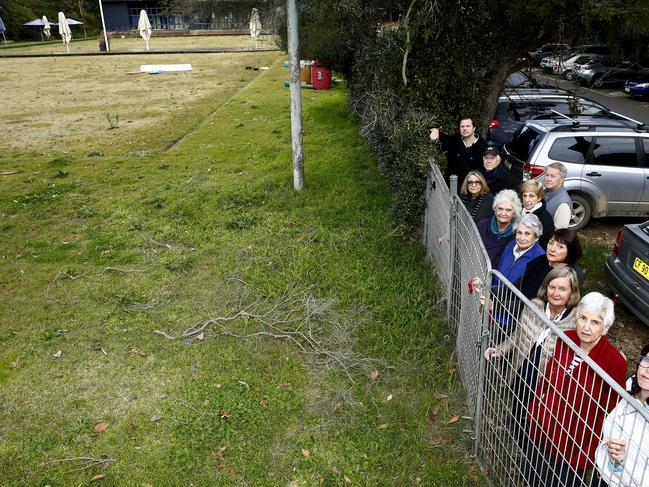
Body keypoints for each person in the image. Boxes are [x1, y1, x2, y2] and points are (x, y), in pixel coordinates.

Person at [526, 292, 627, 487]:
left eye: (595, 322)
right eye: (583, 318)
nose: (586, 327)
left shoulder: (614, 362)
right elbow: (549, 376)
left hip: (574, 445)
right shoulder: (567, 338)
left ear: (605, 329)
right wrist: (535, 409)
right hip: (543, 427)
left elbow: (609, 409)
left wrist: (588, 451)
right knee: (531, 475)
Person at [485, 267, 580, 445]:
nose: (556, 293)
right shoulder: (534, 305)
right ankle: (514, 426)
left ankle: (529, 442)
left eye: (562, 289)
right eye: (552, 287)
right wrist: (501, 349)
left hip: (544, 382)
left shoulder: (575, 323)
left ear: (572, 292)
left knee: (534, 415)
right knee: (518, 401)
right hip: (521, 368)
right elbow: (518, 334)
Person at [592, 344, 649, 487]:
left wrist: (619, 463)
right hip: (601, 474)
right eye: (647, 360)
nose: (648, 370)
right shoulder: (629, 388)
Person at [516, 229, 584, 300]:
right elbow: (519, 284)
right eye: (551, 243)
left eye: (560, 247)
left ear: (570, 251)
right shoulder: (541, 260)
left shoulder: (573, 274)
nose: (552, 249)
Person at [430, 117, 487, 188]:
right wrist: (436, 130)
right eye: (462, 126)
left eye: (468, 126)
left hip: (467, 190)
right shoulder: (455, 139)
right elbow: (441, 137)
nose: (465, 129)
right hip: (449, 186)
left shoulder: (483, 147)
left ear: (474, 128)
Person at [495, 213, 545, 285]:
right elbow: (498, 272)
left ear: (536, 237)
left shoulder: (539, 257)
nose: (522, 238)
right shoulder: (510, 245)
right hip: (495, 292)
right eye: (519, 233)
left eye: (527, 234)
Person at [477, 189, 522, 267]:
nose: (503, 213)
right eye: (500, 209)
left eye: (508, 210)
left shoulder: (517, 232)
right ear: (495, 209)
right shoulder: (483, 225)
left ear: (514, 213)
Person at [520, 179, 554, 249]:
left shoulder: (545, 220)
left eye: (531, 196)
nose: (527, 200)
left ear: (539, 198)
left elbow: (543, 246)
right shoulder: (520, 211)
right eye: (524, 196)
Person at [543, 162, 572, 229]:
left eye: (552, 176)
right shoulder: (545, 191)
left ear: (561, 179)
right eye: (547, 175)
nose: (548, 179)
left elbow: (559, 233)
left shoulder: (563, 204)